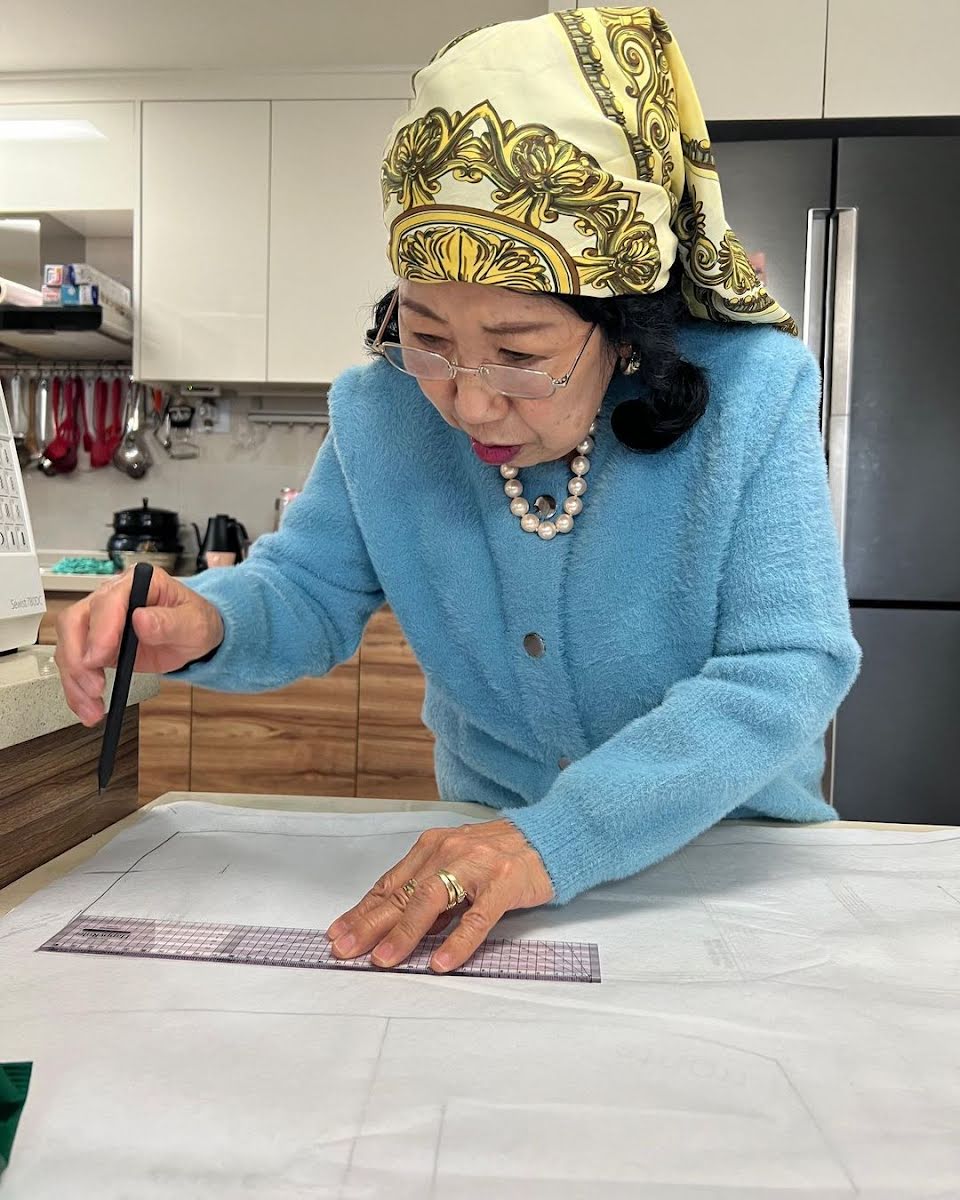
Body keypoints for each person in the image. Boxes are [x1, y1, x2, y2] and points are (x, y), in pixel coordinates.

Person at [55, 6, 860, 974]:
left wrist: (552, 839)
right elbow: (308, 591)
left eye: (519, 355)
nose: (468, 404)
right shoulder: (381, 410)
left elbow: (786, 664)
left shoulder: (751, 392)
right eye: (427, 337)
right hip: (479, 862)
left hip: (718, 857)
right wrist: (209, 622)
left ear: (627, 331)